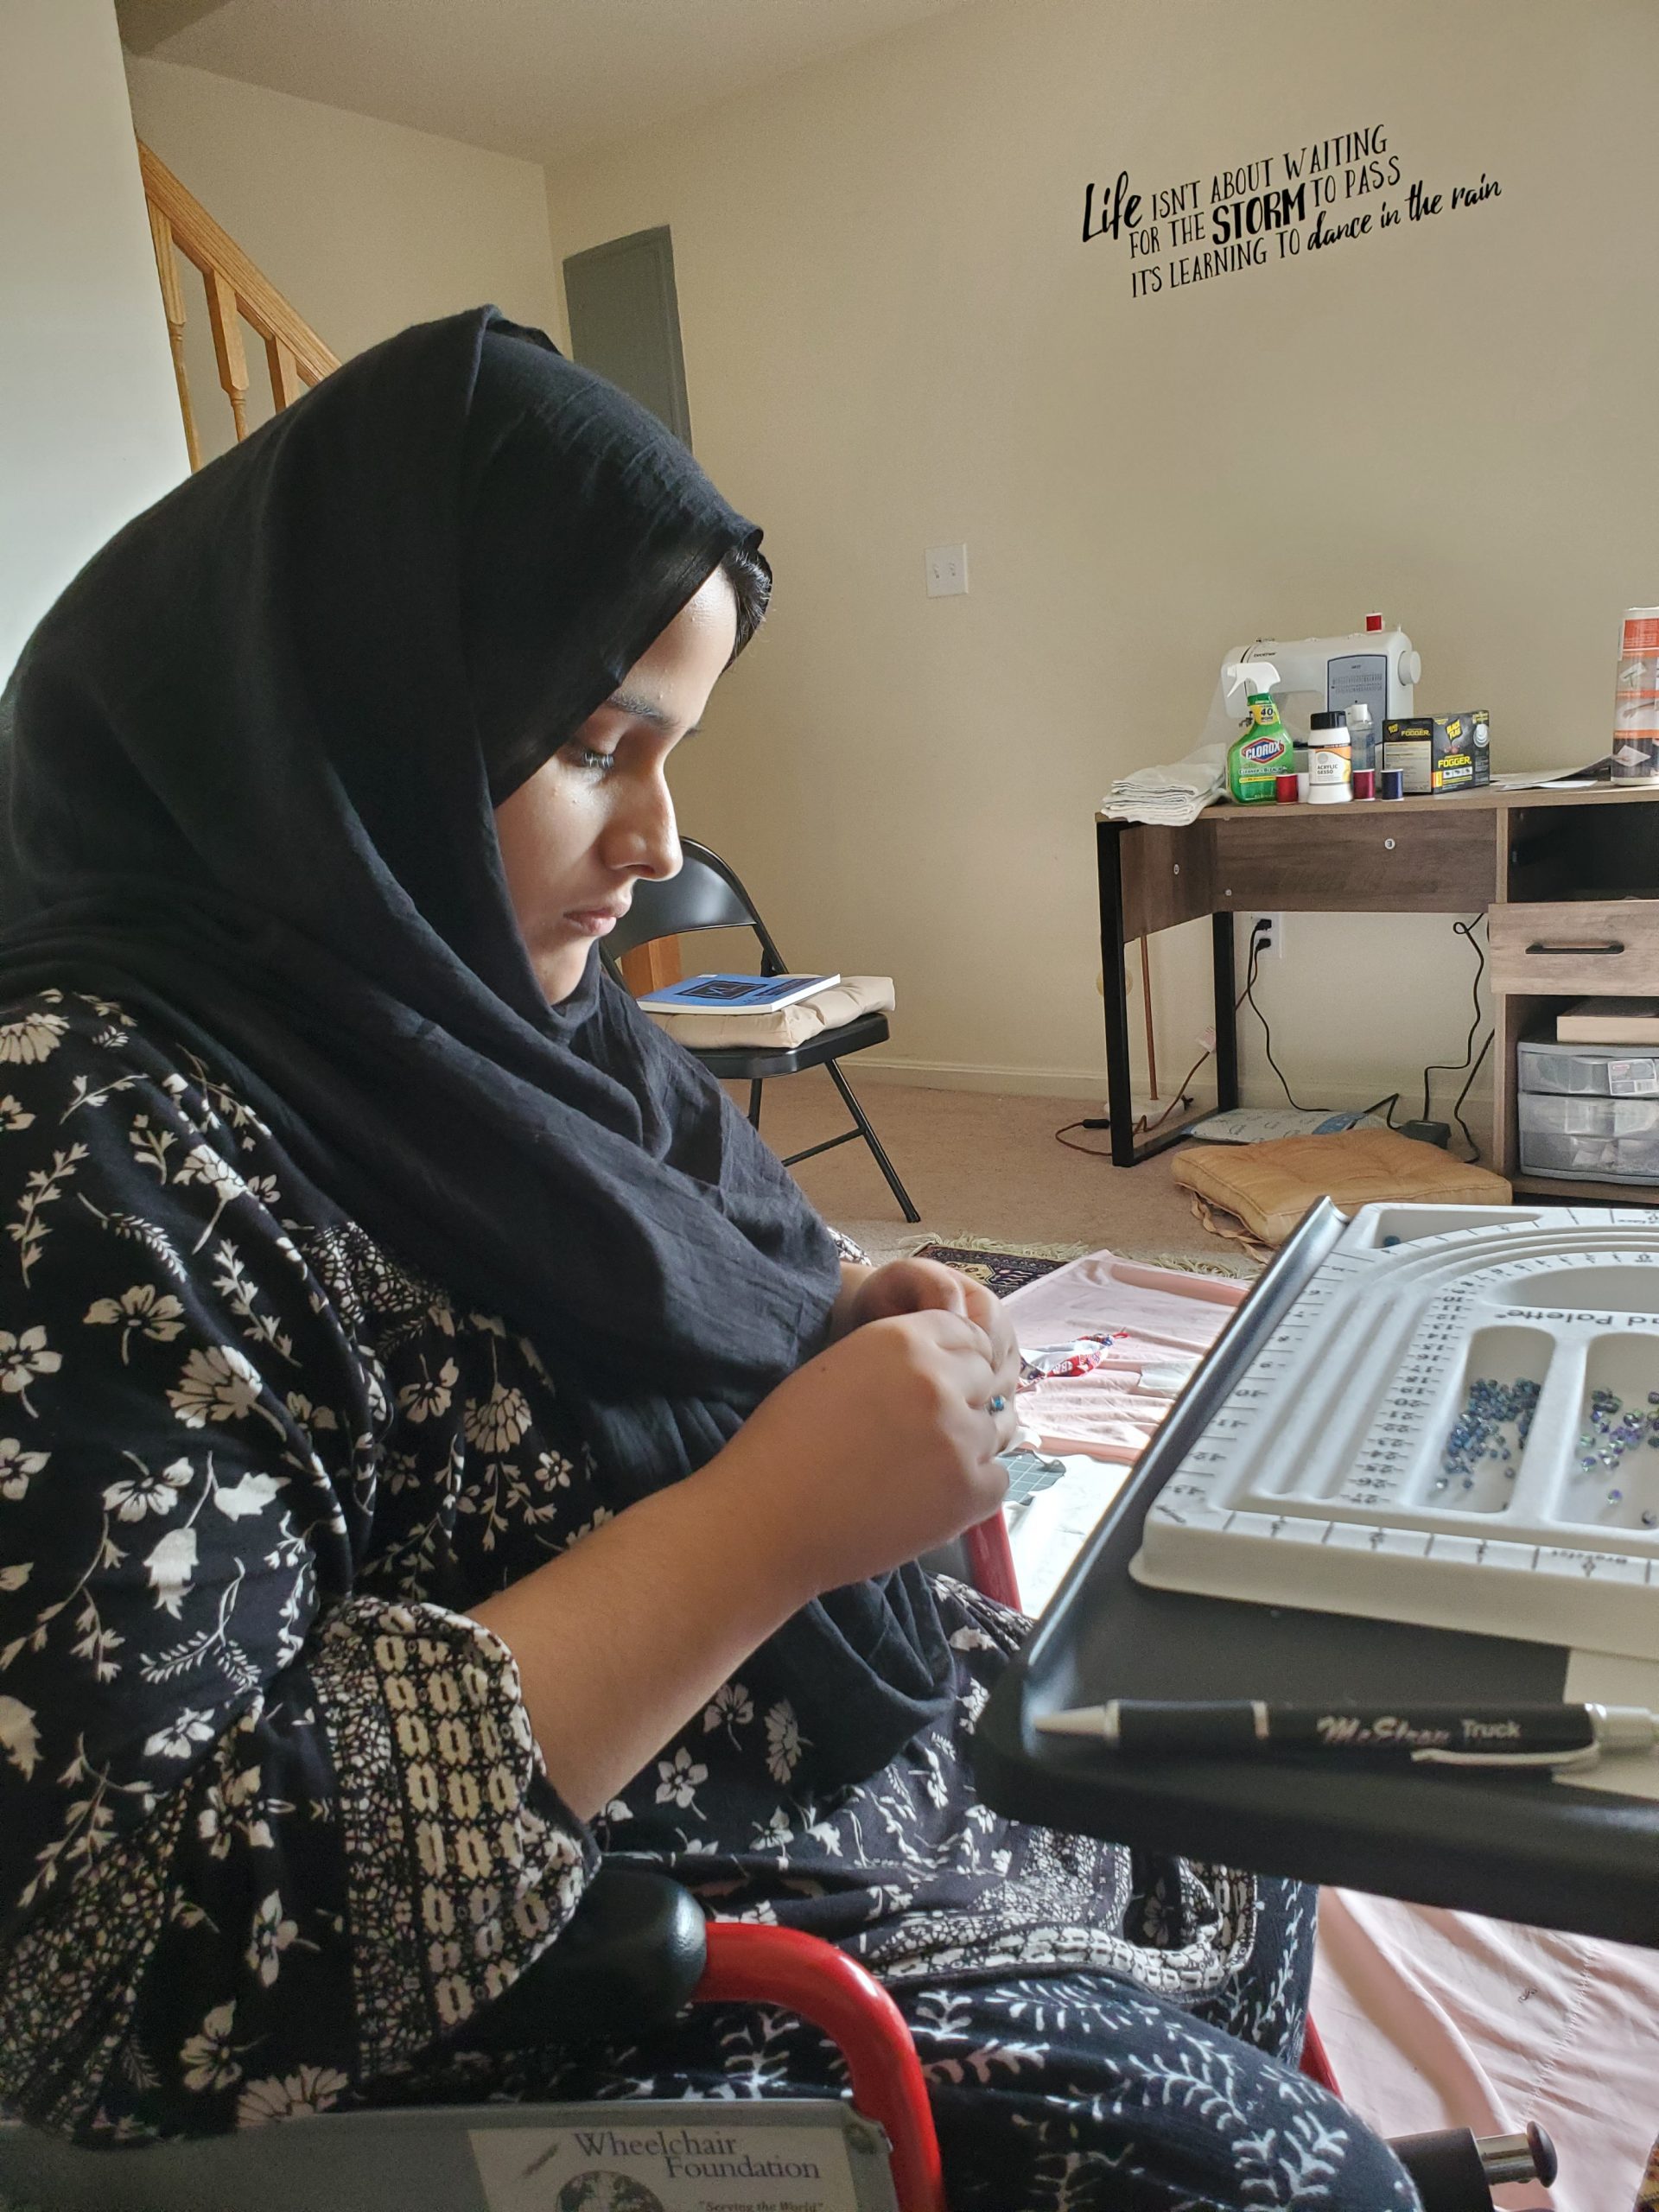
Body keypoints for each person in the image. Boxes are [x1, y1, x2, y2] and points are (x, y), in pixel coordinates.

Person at [0, 308, 1416, 2209]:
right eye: (596, 748)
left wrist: (838, 1308)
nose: (660, 844)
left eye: (672, 752)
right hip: (592, 1936)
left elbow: (681, 1233)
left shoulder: (487, 997)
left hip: (799, 1741)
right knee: (1281, 2179)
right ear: (360, 721)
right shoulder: (86, 1137)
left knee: (1240, 1808)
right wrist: (766, 1522)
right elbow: (132, 1964)